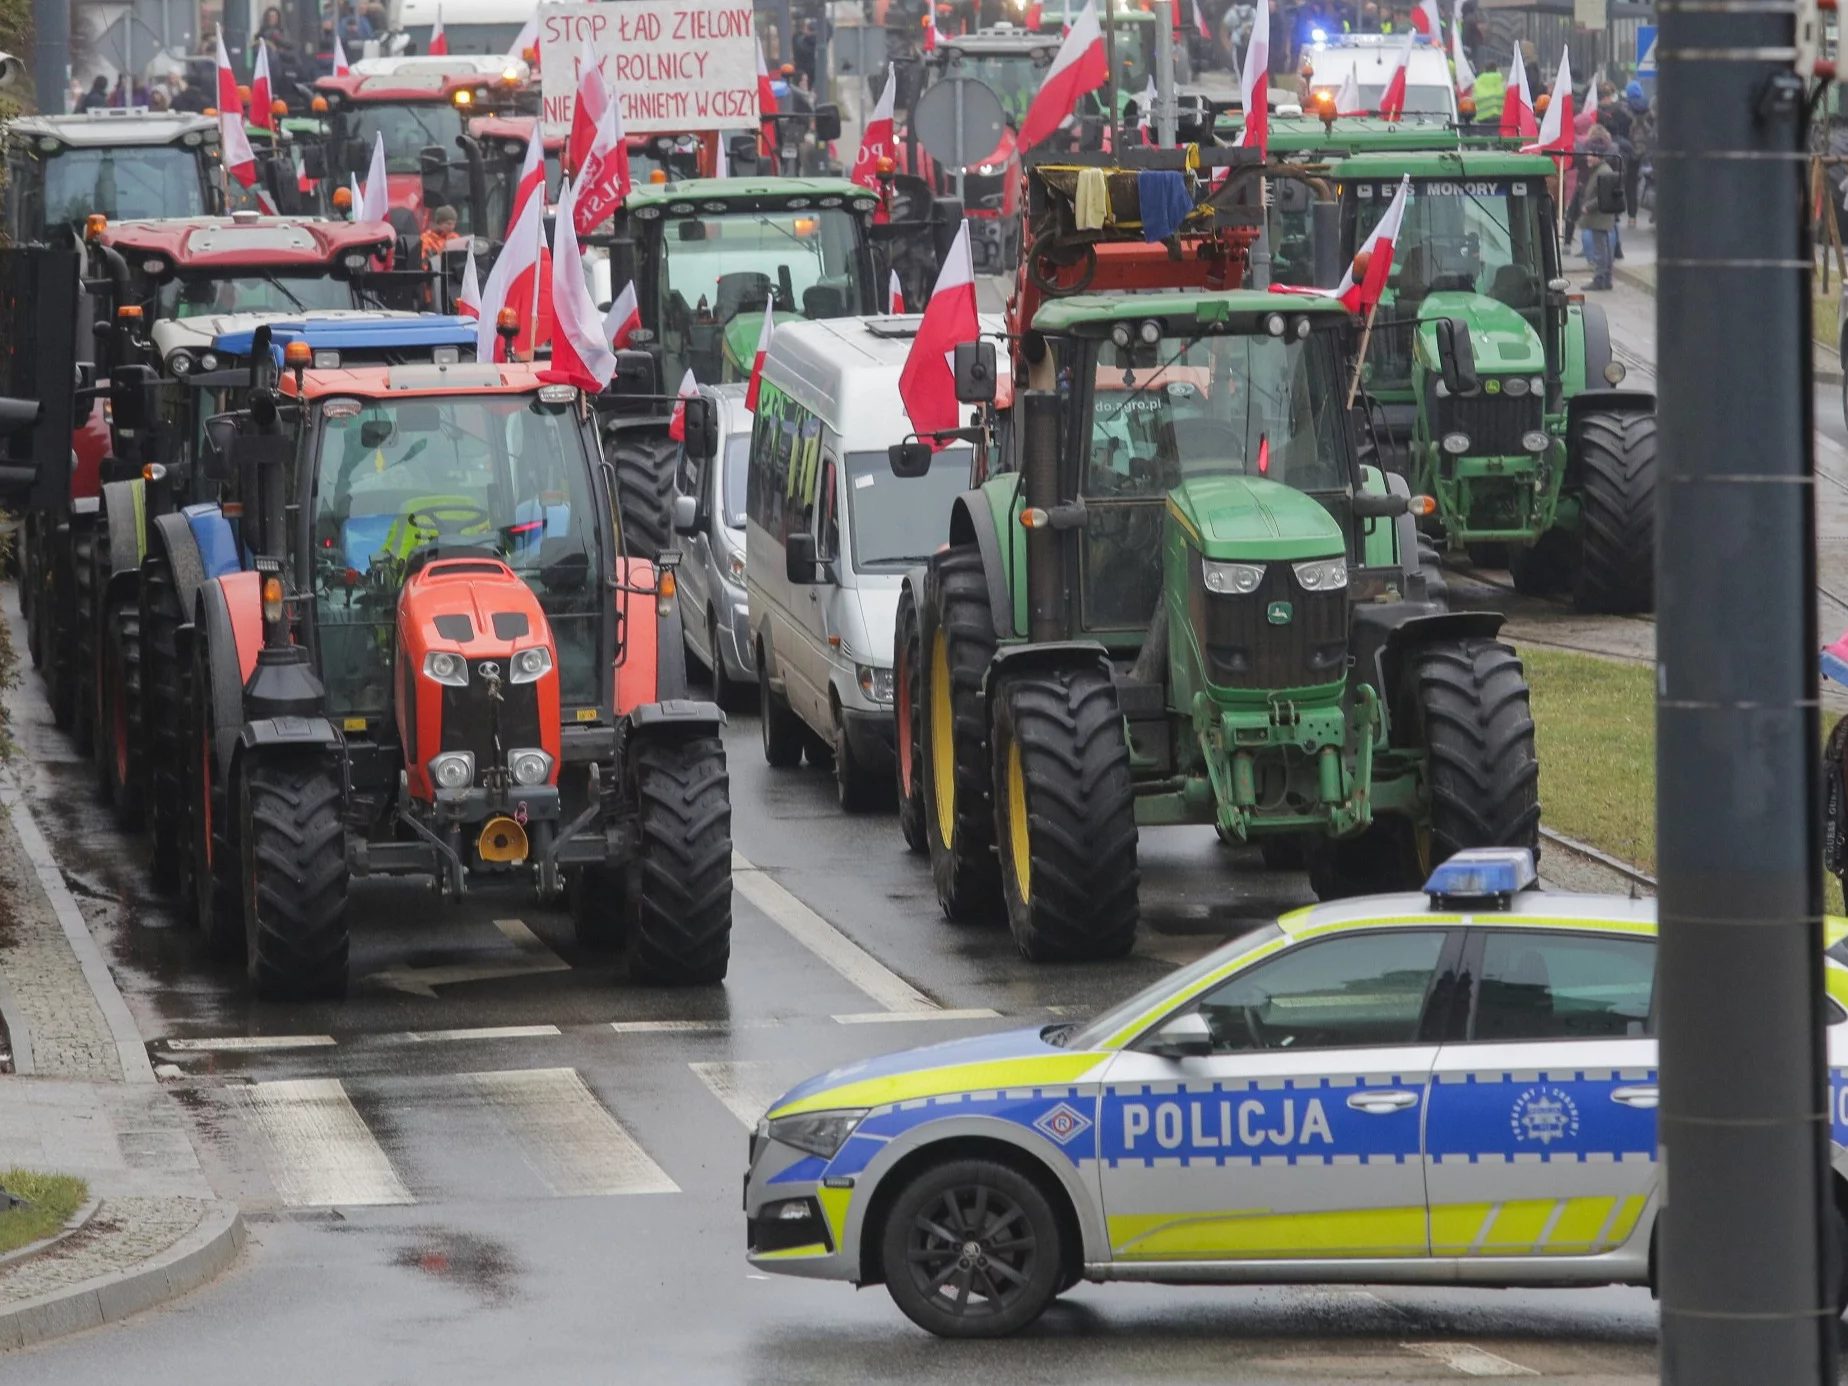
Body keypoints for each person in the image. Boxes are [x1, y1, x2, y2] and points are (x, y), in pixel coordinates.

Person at [1577, 127, 1621, 291]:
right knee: (1604, 248)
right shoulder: (1601, 170)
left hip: (1598, 216)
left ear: (1597, 155)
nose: (1587, 157)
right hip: (1601, 216)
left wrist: (1589, 206)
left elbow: (1603, 195)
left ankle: (1600, 278)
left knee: (1601, 250)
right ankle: (1605, 278)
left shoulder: (1603, 172)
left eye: (1590, 154)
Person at [1472, 57, 1504, 125]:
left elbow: (1473, 99)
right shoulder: (1502, 83)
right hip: (1499, 119)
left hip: (1482, 119)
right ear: (1497, 69)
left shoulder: (1477, 82)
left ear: (1484, 69)